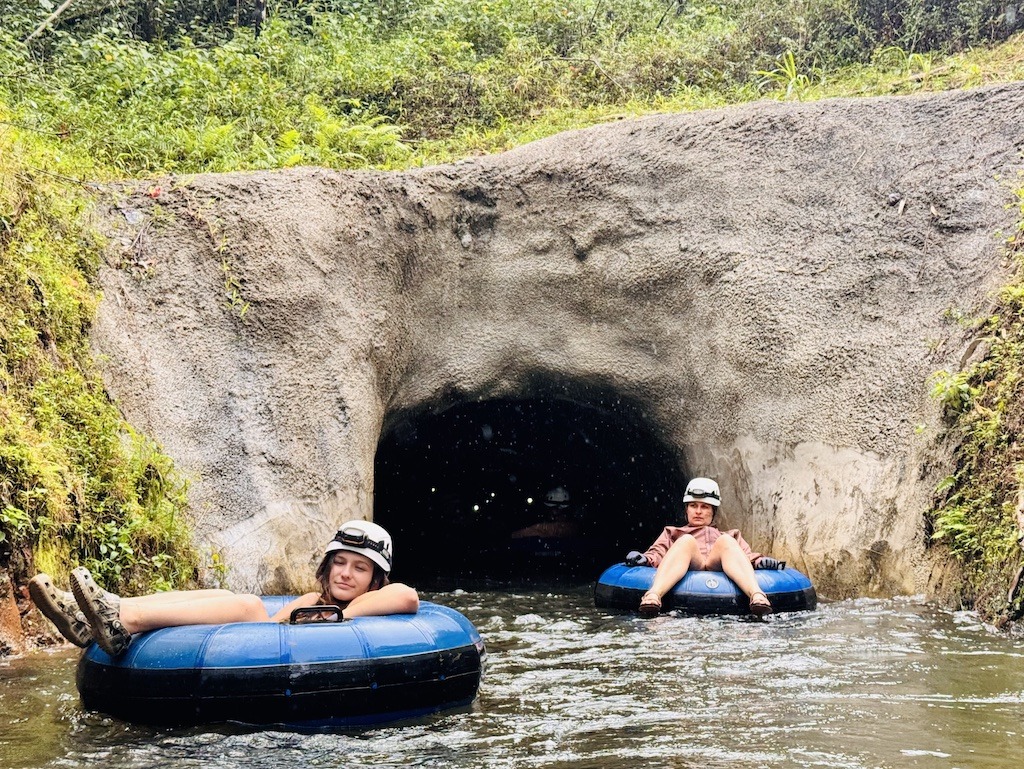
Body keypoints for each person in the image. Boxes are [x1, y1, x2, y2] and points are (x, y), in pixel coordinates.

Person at [29, 519, 419, 657]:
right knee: (231, 600)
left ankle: (122, 620)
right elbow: (277, 630)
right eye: (340, 562)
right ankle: (104, 613)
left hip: (266, 654)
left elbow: (408, 597)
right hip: (258, 647)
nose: (346, 573)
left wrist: (341, 616)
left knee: (247, 605)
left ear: (375, 578)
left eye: (360, 567)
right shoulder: (310, 600)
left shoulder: (381, 598)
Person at [624, 477, 785, 618]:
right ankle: (653, 595)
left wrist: (760, 562)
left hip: (718, 564)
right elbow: (658, 552)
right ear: (686, 509)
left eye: (705, 507)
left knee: (726, 541)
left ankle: (756, 595)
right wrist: (645, 559)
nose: (698, 511)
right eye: (693, 505)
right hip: (692, 563)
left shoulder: (731, 535)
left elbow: (746, 556)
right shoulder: (672, 533)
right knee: (686, 540)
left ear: (713, 511)